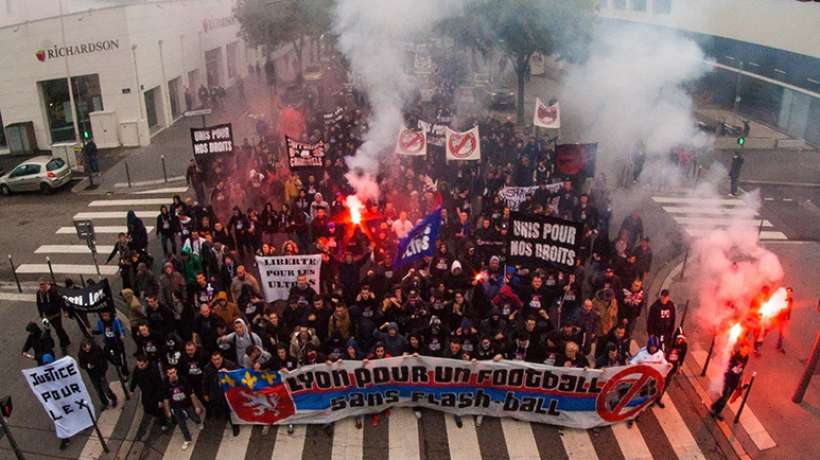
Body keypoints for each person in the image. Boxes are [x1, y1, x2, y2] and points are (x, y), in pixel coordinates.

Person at [163, 366, 205, 450]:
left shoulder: (183, 380)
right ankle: (187, 439)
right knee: (181, 424)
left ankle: (198, 422)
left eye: (174, 372)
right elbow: (166, 399)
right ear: (167, 374)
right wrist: (168, 411)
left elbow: (191, 394)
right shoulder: (165, 384)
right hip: (176, 407)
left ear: (176, 371)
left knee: (194, 416)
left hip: (187, 404)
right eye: (170, 373)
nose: (173, 374)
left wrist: (196, 406)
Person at [711, 341, 751, 420]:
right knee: (725, 395)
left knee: (727, 397)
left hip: (735, 380)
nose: (746, 351)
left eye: (747, 350)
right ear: (741, 348)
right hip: (728, 378)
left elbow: (742, 368)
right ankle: (714, 409)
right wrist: (736, 367)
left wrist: (742, 380)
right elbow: (729, 367)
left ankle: (717, 410)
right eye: (745, 349)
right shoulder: (735, 355)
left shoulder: (746, 357)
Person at [77, 338, 118, 410]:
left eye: (88, 348)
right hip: (92, 374)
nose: (87, 350)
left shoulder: (96, 349)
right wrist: (87, 366)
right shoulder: (81, 354)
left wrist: (103, 368)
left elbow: (102, 358)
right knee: (98, 390)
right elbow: (81, 364)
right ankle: (104, 402)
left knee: (105, 388)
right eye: (85, 349)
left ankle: (113, 398)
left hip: (100, 372)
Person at [35, 279, 70, 355]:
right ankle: (60, 342)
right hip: (46, 316)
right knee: (48, 330)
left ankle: (63, 345)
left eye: (43, 284)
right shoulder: (39, 293)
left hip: (56, 314)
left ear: (46, 284)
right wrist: (41, 314)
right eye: (40, 285)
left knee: (58, 329)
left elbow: (61, 301)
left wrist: (65, 311)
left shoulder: (53, 291)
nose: (42, 286)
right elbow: (38, 304)